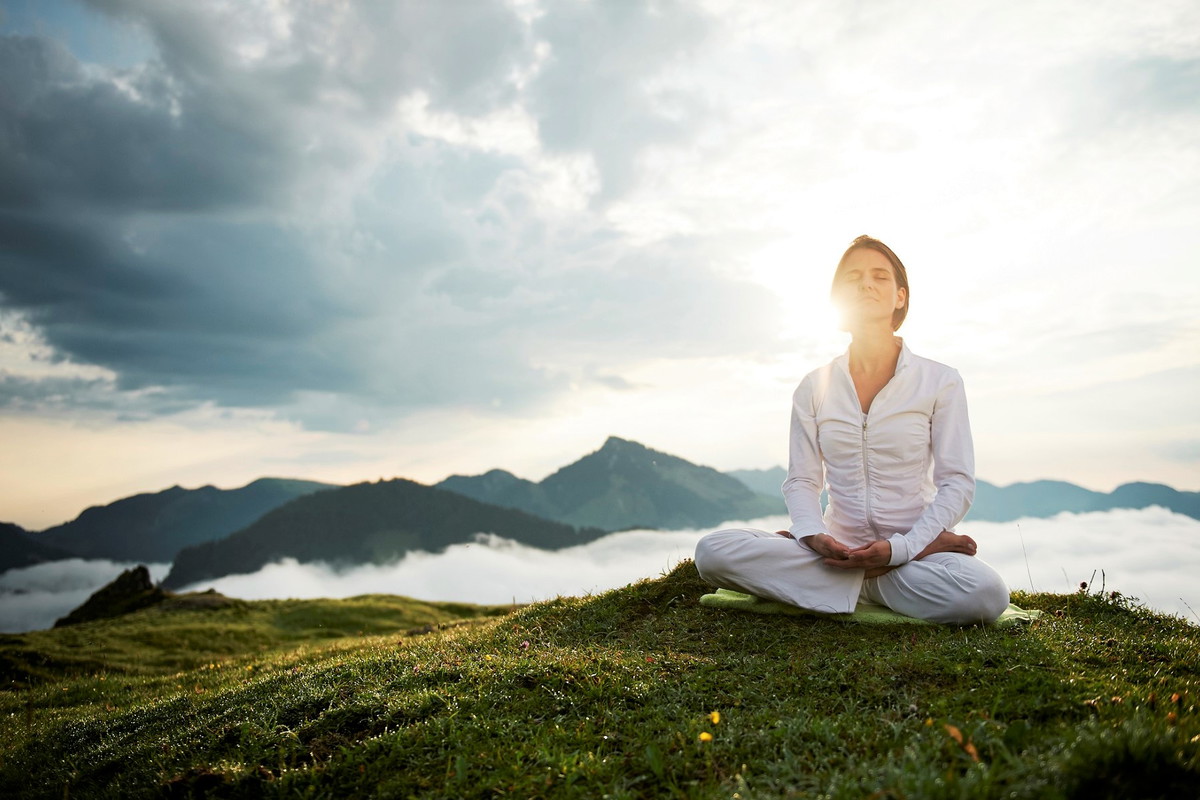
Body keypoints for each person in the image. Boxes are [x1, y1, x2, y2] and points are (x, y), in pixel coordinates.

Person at [694, 235, 1009, 624]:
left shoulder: (940, 381)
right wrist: (811, 534)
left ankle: (837, 584)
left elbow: (957, 482)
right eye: (853, 277)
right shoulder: (814, 386)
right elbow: (802, 480)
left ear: (900, 297)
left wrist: (904, 549)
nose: (866, 284)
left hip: (914, 548)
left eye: (880, 276)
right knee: (712, 552)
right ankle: (868, 580)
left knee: (986, 593)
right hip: (836, 550)